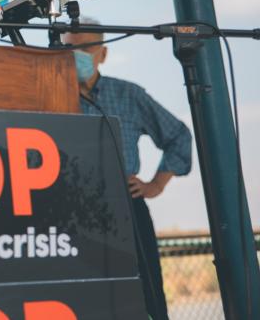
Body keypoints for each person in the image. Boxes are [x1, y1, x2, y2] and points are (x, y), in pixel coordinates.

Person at [64, 18, 192, 320]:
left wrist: (155, 185)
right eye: (69, 48)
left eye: (85, 47)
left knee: (146, 296)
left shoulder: (128, 95)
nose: (76, 55)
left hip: (126, 208)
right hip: (68, 213)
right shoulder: (46, 95)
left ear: (103, 54)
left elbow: (178, 136)